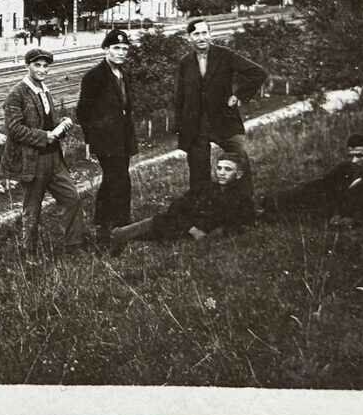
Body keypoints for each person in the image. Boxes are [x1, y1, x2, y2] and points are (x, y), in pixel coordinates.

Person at [1, 48, 84, 254]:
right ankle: (29, 253)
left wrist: (62, 124)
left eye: (46, 66)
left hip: (54, 158)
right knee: (32, 209)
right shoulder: (17, 93)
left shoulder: (45, 90)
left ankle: (73, 246)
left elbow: (48, 121)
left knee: (72, 198)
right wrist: (43, 136)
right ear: (27, 65)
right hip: (32, 160)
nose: (42, 70)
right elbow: (14, 128)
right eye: (37, 65)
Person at [174, 19, 267, 191]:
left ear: (210, 34)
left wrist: (239, 95)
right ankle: (203, 209)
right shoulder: (185, 62)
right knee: (198, 171)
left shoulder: (225, 55)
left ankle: (244, 205)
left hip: (224, 120)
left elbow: (258, 73)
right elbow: (180, 96)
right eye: (196, 34)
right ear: (189, 38)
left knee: (239, 163)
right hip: (196, 125)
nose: (201, 37)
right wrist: (180, 126)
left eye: (204, 33)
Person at [109, 152, 255, 249]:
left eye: (228, 169)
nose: (222, 173)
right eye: (219, 168)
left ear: (239, 174)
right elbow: (176, 206)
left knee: (159, 227)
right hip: (183, 226)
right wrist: (192, 229)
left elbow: (237, 224)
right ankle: (119, 235)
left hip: (193, 234)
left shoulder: (241, 198)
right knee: (160, 221)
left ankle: (119, 236)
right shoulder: (206, 188)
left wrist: (209, 236)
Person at [75, 29, 138, 240]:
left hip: (123, 138)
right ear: (106, 49)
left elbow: (126, 107)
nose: (121, 52)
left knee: (115, 178)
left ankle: (105, 222)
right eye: (116, 48)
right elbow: (83, 112)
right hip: (106, 140)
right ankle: (119, 224)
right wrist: (93, 139)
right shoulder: (94, 77)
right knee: (118, 177)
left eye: (124, 49)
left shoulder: (124, 74)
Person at [259, 133, 363, 226]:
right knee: (277, 202)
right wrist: (279, 198)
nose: (354, 160)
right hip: (322, 206)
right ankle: (265, 206)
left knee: (287, 219)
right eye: (351, 155)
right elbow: (321, 184)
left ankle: (262, 216)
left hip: (331, 218)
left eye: (360, 156)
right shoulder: (345, 168)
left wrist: (353, 221)